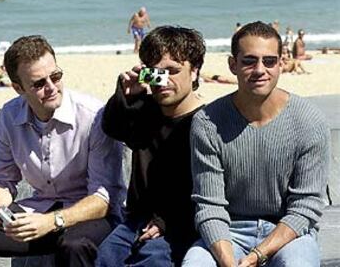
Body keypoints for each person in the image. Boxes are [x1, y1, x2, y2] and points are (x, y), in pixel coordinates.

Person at [0, 35, 126, 267]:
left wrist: (52, 221)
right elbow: (1, 179)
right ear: (18, 88)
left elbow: (104, 199)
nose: (51, 88)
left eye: (56, 76)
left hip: (91, 217)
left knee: (75, 246)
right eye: (39, 83)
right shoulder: (9, 115)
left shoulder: (93, 116)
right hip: (38, 210)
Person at [182, 21, 330, 267]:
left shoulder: (309, 121)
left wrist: (257, 255)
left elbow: (305, 207)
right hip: (229, 232)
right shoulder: (208, 122)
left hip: (288, 233)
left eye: (269, 61)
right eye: (249, 61)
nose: (260, 69)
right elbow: (209, 205)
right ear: (233, 65)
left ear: (281, 64)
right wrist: (229, 263)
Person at [96, 26, 206, 266]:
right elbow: (113, 127)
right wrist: (126, 96)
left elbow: (208, 190)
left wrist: (166, 222)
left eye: (172, 71)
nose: (163, 80)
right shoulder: (147, 111)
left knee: (153, 260)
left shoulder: (206, 123)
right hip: (137, 219)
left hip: (183, 222)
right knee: (106, 257)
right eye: (155, 73)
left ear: (194, 72)